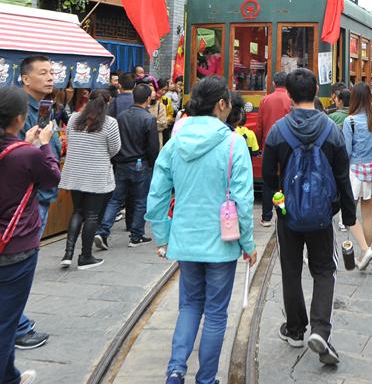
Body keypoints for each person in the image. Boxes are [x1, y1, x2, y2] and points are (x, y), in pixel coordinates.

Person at [147, 76, 256, 384]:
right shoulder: (234, 144)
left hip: (185, 238)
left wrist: (163, 235)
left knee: (189, 304)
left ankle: (175, 369)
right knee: (216, 312)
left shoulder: (174, 143)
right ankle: (206, 378)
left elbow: (156, 196)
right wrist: (247, 244)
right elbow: (243, 202)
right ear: (222, 105)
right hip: (223, 242)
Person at [0, 87, 59, 384]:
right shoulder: (27, 155)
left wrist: (27, 144)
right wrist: (43, 145)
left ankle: (9, 378)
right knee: (2, 330)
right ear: (20, 118)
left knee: (0, 322)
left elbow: (7, 161)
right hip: (15, 250)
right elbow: (51, 179)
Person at [263, 68, 355, 366]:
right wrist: (348, 214)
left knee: (290, 270)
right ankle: (320, 329)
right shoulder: (332, 129)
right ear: (316, 90)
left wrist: (271, 210)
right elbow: (342, 176)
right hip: (321, 214)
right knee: (324, 270)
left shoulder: (278, 131)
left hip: (288, 214)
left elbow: (268, 177)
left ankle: (295, 329)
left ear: (288, 94)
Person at [13, 55, 60, 350]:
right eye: (43, 73)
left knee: (23, 264)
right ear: (25, 78)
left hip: (39, 196)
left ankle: (13, 324)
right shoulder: (19, 112)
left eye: (51, 72)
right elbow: (21, 155)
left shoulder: (44, 109)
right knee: (21, 266)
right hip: (29, 199)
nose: (50, 77)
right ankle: (16, 327)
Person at [59, 89, 120, 269]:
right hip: (97, 174)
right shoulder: (110, 123)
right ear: (108, 103)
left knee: (77, 210)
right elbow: (115, 148)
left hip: (75, 172)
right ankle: (85, 256)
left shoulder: (74, 119)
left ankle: (68, 254)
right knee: (92, 215)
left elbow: (69, 138)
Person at [95, 83, 158, 250]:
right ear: (147, 98)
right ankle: (136, 235)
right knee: (139, 200)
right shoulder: (149, 119)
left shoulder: (121, 116)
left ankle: (102, 231)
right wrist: (153, 164)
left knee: (115, 199)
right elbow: (152, 147)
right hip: (140, 163)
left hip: (121, 163)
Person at [342, 82, 372, 270]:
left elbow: (346, 150)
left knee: (348, 214)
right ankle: (364, 253)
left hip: (356, 171)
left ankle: (364, 250)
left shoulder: (350, 121)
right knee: (368, 215)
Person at [258, 72, 292, 227]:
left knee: (268, 181)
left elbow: (259, 126)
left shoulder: (265, 100)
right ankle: (284, 213)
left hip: (268, 144)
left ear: (273, 84)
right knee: (286, 178)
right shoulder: (290, 100)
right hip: (287, 144)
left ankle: (266, 217)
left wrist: (259, 145)